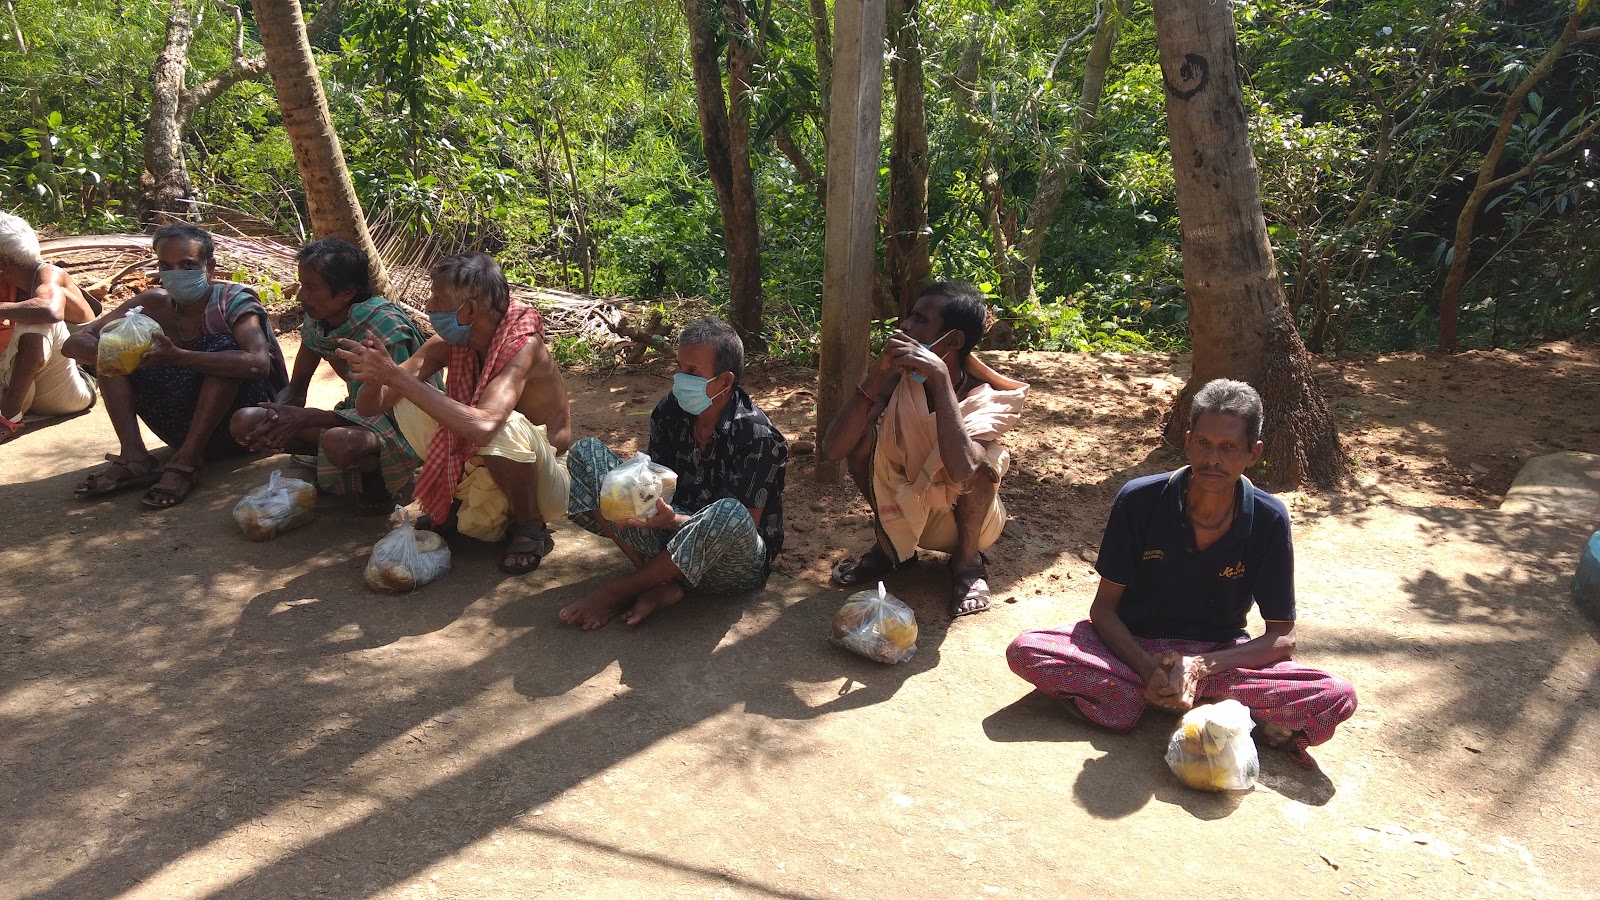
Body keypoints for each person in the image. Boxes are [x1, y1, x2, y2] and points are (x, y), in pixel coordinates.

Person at [1005, 378, 1357, 768]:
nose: (1213, 459)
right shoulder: (1139, 499)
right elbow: (1104, 610)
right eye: (1204, 444)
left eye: (1229, 448)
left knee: (1335, 694)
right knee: (1027, 650)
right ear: (1187, 442)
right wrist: (1148, 667)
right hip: (1131, 648)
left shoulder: (1270, 518)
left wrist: (1199, 668)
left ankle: (1159, 697)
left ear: (1253, 454)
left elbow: (1281, 636)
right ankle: (1212, 708)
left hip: (1219, 657)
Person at [336, 251, 571, 573]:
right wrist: (376, 378)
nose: (430, 306)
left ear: (469, 310)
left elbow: (485, 427)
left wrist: (394, 376)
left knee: (504, 426)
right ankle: (455, 502)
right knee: (408, 395)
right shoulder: (451, 342)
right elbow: (371, 407)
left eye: (437, 297)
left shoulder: (523, 346)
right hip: (482, 458)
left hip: (543, 479)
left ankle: (529, 524)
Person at [559, 316, 787, 629]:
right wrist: (642, 505)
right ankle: (656, 579)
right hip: (666, 532)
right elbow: (654, 482)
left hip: (729, 562)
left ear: (724, 381)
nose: (680, 378)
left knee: (729, 512)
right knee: (586, 453)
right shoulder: (671, 410)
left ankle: (623, 589)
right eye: (679, 367)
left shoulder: (757, 435)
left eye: (692, 372)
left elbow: (741, 524)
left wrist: (673, 520)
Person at [818, 281, 1028, 617]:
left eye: (919, 319)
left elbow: (962, 471)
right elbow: (834, 448)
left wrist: (940, 379)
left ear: (954, 341)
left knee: (982, 463)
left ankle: (967, 564)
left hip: (967, 524)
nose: (904, 326)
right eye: (909, 317)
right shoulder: (899, 380)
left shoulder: (987, 396)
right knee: (861, 436)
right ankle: (892, 547)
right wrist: (877, 374)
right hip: (907, 509)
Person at [64, 222, 288, 507]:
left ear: (210, 267)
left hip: (245, 426)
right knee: (110, 353)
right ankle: (134, 456)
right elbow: (72, 345)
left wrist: (180, 356)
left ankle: (188, 459)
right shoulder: (153, 304)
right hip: (178, 424)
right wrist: (119, 350)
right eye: (166, 266)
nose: (175, 274)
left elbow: (257, 364)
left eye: (187, 265)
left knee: (223, 353)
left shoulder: (231, 302)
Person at [230, 237, 434, 509]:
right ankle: (354, 467)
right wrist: (277, 418)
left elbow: (384, 407)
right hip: (358, 414)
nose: (302, 296)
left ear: (347, 292)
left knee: (340, 441)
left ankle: (377, 481)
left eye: (312, 287)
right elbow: (296, 387)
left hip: (401, 423)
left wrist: (305, 419)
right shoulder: (318, 323)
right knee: (246, 421)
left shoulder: (383, 326)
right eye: (302, 284)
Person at [0, 212, 98, 443]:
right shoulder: (6, 280)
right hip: (18, 379)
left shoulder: (50, 276)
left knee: (36, 316)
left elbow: (49, 311)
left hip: (69, 387)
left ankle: (9, 417)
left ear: (2, 264)